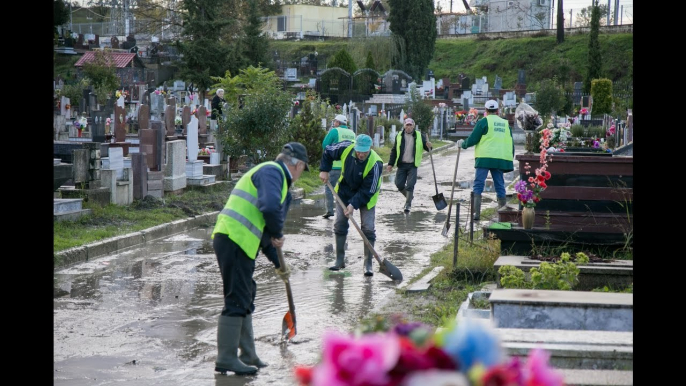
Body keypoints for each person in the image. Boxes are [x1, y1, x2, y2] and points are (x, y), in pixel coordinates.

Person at [211, 142, 310, 376]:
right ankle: (226, 358)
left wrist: (279, 264)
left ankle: (248, 354)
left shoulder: (278, 180)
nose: (301, 174)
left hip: (241, 242)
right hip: (233, 237)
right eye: (303, 169)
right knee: (236, 297)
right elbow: (269, 209)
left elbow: (266, 234)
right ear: (297, 165)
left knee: (246, 294)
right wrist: (278, 233)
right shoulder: (272, 172)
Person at [319, 134, 383, 276]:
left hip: (366, 197)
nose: (360, 154)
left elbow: (368, 190)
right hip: (344, 192)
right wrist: (324, 169)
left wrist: (353, 205)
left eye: (364, 152)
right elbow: (328, 151)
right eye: (358, 151)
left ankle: (368, 264)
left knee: (368, 228)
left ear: (370, 149)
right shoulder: (346, 147)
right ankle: (339, 260)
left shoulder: (376, 163)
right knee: (340, 224)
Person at [456, 99, 514, 221]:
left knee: (478, 184)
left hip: (484, 159)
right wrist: (510, 157)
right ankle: (502, 214)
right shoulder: (505, 124)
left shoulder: (483, 122)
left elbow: (473, 138)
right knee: (499, 185)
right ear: (497, 111)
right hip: (499, 159)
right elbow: (511, 143)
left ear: (486, 111)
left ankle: (476, 214)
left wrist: (463, 144)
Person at [386, 117, 432, 214]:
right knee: (399, 184)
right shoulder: (399, 136)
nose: (409, 127)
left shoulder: (419, 135)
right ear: (404, 126)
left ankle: (407, 204)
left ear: (413, 126)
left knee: (410, 185)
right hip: (402, 165)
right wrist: (390, 164)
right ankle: (409, 196)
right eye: (407, 125)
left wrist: (429, 146)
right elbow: (394, 150)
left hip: (412, 165)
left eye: (410, 125)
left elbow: (427, 148)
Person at [321, 114, 356, 219]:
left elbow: (325, 145)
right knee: (344, 189)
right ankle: (345, 209)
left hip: (334, 165)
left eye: (335, 121)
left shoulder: (334, 131)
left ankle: (330, 210)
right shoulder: (352, 133)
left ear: (338, 123)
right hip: (348, 166)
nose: (334, 123)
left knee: (329, 188)